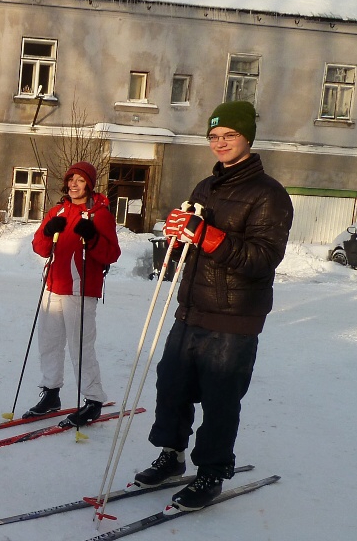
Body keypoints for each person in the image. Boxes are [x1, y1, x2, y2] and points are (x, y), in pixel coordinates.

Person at [133, 100, 293, 511]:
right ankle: (171, 456)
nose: (220, 143)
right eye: (214, 137)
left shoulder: (269, 194)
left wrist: (206, 236)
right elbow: (192, 239)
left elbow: (262, 258)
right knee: (171, 386)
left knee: (221, 399)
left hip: (234, 317)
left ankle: (211, 473)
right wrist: (177, 235)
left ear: (247, 139)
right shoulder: (205, 187)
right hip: (190, 307)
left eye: (229, 136)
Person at [25, 161, 121, 424]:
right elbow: (40, 247)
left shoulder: (99, 214)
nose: (73, 185)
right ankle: (51, 393)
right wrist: (47, 231)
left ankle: (93, 399)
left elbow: (111, 254)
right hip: (53, 286)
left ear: (89, 184)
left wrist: (92, 237)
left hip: (80, 289)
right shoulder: (58, 211)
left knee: (80, 347)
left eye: (80, 180)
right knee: (49, 342)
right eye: (71, 179)